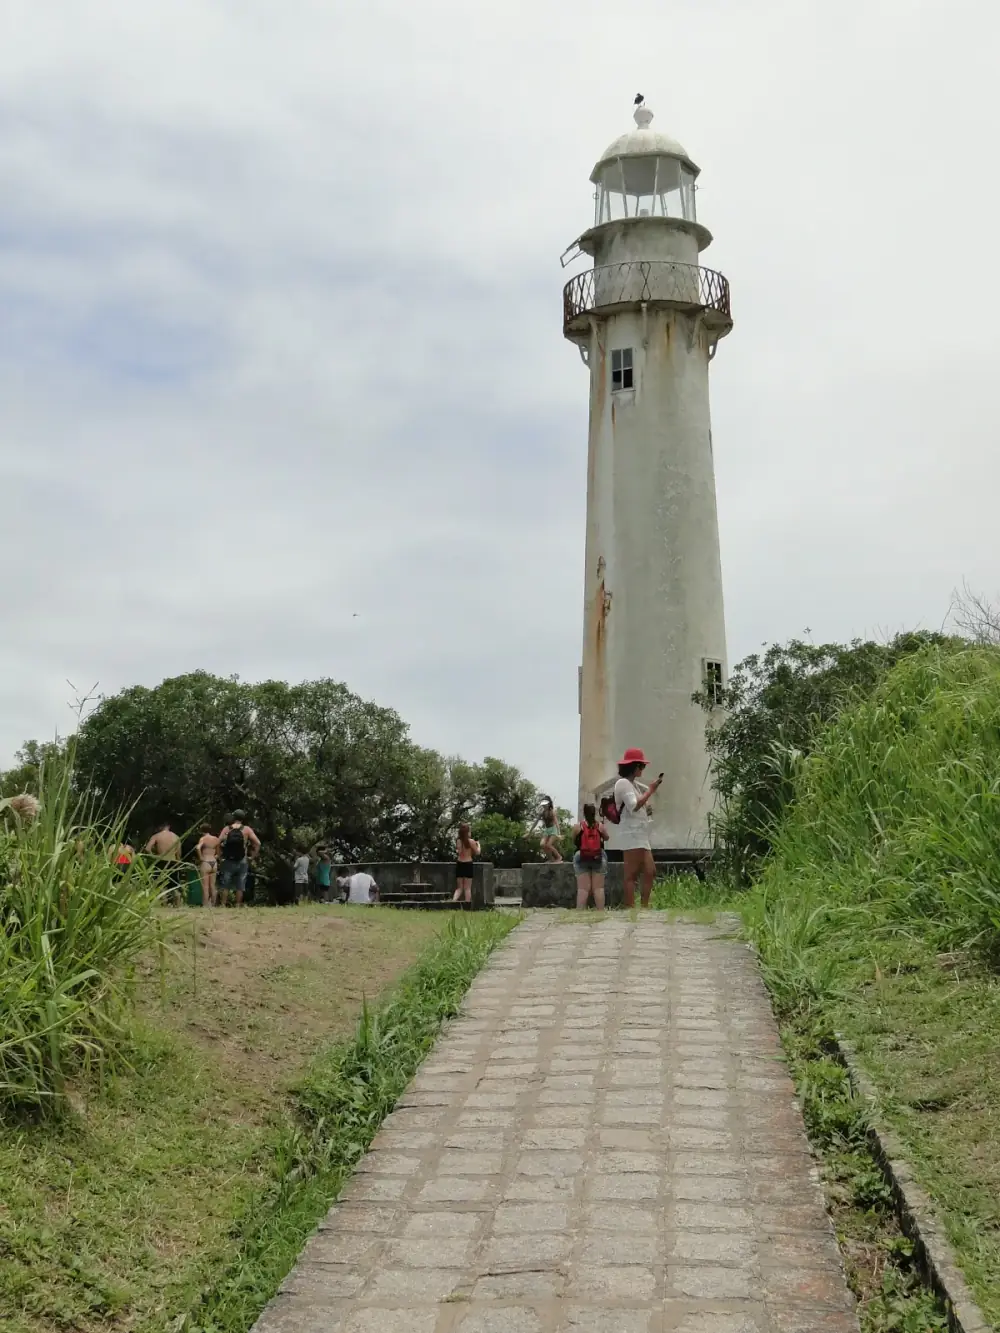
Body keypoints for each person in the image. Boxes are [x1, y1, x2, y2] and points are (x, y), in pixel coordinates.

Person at [612, 747, 662, 909]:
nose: (642, 769)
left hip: (640, 833)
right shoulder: (623, 783)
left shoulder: (634, 785)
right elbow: (633, 805)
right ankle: (631, 907)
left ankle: (644, 907)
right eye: (641, 766)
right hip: (631, 833)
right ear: (633, 766)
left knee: (650, 871)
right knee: (631, 873)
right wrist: (651, 790)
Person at [217, 810, 261, 906]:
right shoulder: (247, 829)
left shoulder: (227, 829)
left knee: (226, 884)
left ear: (233, 817)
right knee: (240, 885)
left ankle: (223, 904)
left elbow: (218, 842)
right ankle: (237, 905)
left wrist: (220, 857)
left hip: (228, 860)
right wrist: (252, 857)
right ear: (243, 818)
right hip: (242, 860)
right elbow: (258, 843)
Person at [572, 802, 609, 910]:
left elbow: (574, 840)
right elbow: (607, 838)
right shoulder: (600, 826)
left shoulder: (578, 826)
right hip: (598, 856)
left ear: (584, 812)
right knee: (598, 888)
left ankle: (580, 912)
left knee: (582, 889)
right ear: (595, 813)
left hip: (581, 856)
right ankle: (600, 912)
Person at [145, 821, 183, 904]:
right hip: (173, 862)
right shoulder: (176, 837)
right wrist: (178, 862)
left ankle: (164, 902)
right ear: (169, 826)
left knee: (160, 884)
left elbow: (147, 849)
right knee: (174, 884)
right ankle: (177, 904)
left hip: (161, 861)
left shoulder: (156, 836)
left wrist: (154, 857)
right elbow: (178, 853)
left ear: (160, 827)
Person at [453, 822, 481, 904]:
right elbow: (477, 852)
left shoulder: (458, 841)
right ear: (467, 832)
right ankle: (467, 905)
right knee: (467, 888)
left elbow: (458, 852)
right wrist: (478, 845)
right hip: (468, 864)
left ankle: (453, 902)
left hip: (460, 863)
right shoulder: (471, 841)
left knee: (459, 888)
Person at [195, 826, 220, 906]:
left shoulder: (203, 839)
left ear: (201, 831)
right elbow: (218, 853)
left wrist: (201, 857)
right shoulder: (216, 839)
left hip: (206, 862)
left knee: (205, 886)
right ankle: (213, 904)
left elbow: (198, 847)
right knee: (213, 885)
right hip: (214, 862)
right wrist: (214, 857)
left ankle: (205, 905)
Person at [534, 796, 563, 862]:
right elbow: (536, 822)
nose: (544, 806)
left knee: (548, 845)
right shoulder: (542, 812)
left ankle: (559, 857)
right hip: (547, 830)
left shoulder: (552, 812)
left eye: (545, 804)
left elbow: (556, 823)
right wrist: (529, 832)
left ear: (549, 804)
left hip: (553, 829)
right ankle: (551, 859)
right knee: (542, 844)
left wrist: (559, 834)